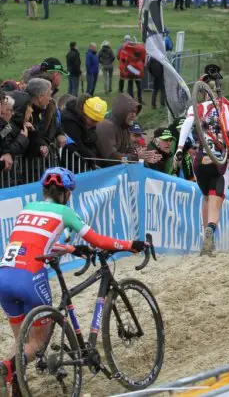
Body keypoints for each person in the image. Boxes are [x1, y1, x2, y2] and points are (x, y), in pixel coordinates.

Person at [0, 167, 147, 390]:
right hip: (29, 277)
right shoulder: (64, 212)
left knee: (22, 342)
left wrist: (71, 248)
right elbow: (97, 240)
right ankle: (8, 368)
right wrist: (131, 245)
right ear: (67, 193)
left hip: (4, 275)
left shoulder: (27, 209)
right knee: (37, 342)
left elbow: (37, 242)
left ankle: (11, 378)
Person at [175, 65, 229, 257]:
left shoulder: (196, 107)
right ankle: (211, 230)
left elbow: (187, 125)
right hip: (221, 161)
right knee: (217, 199)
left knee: (206, 197)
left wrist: (180, 149)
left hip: (200, 159)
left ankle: (205, 237)